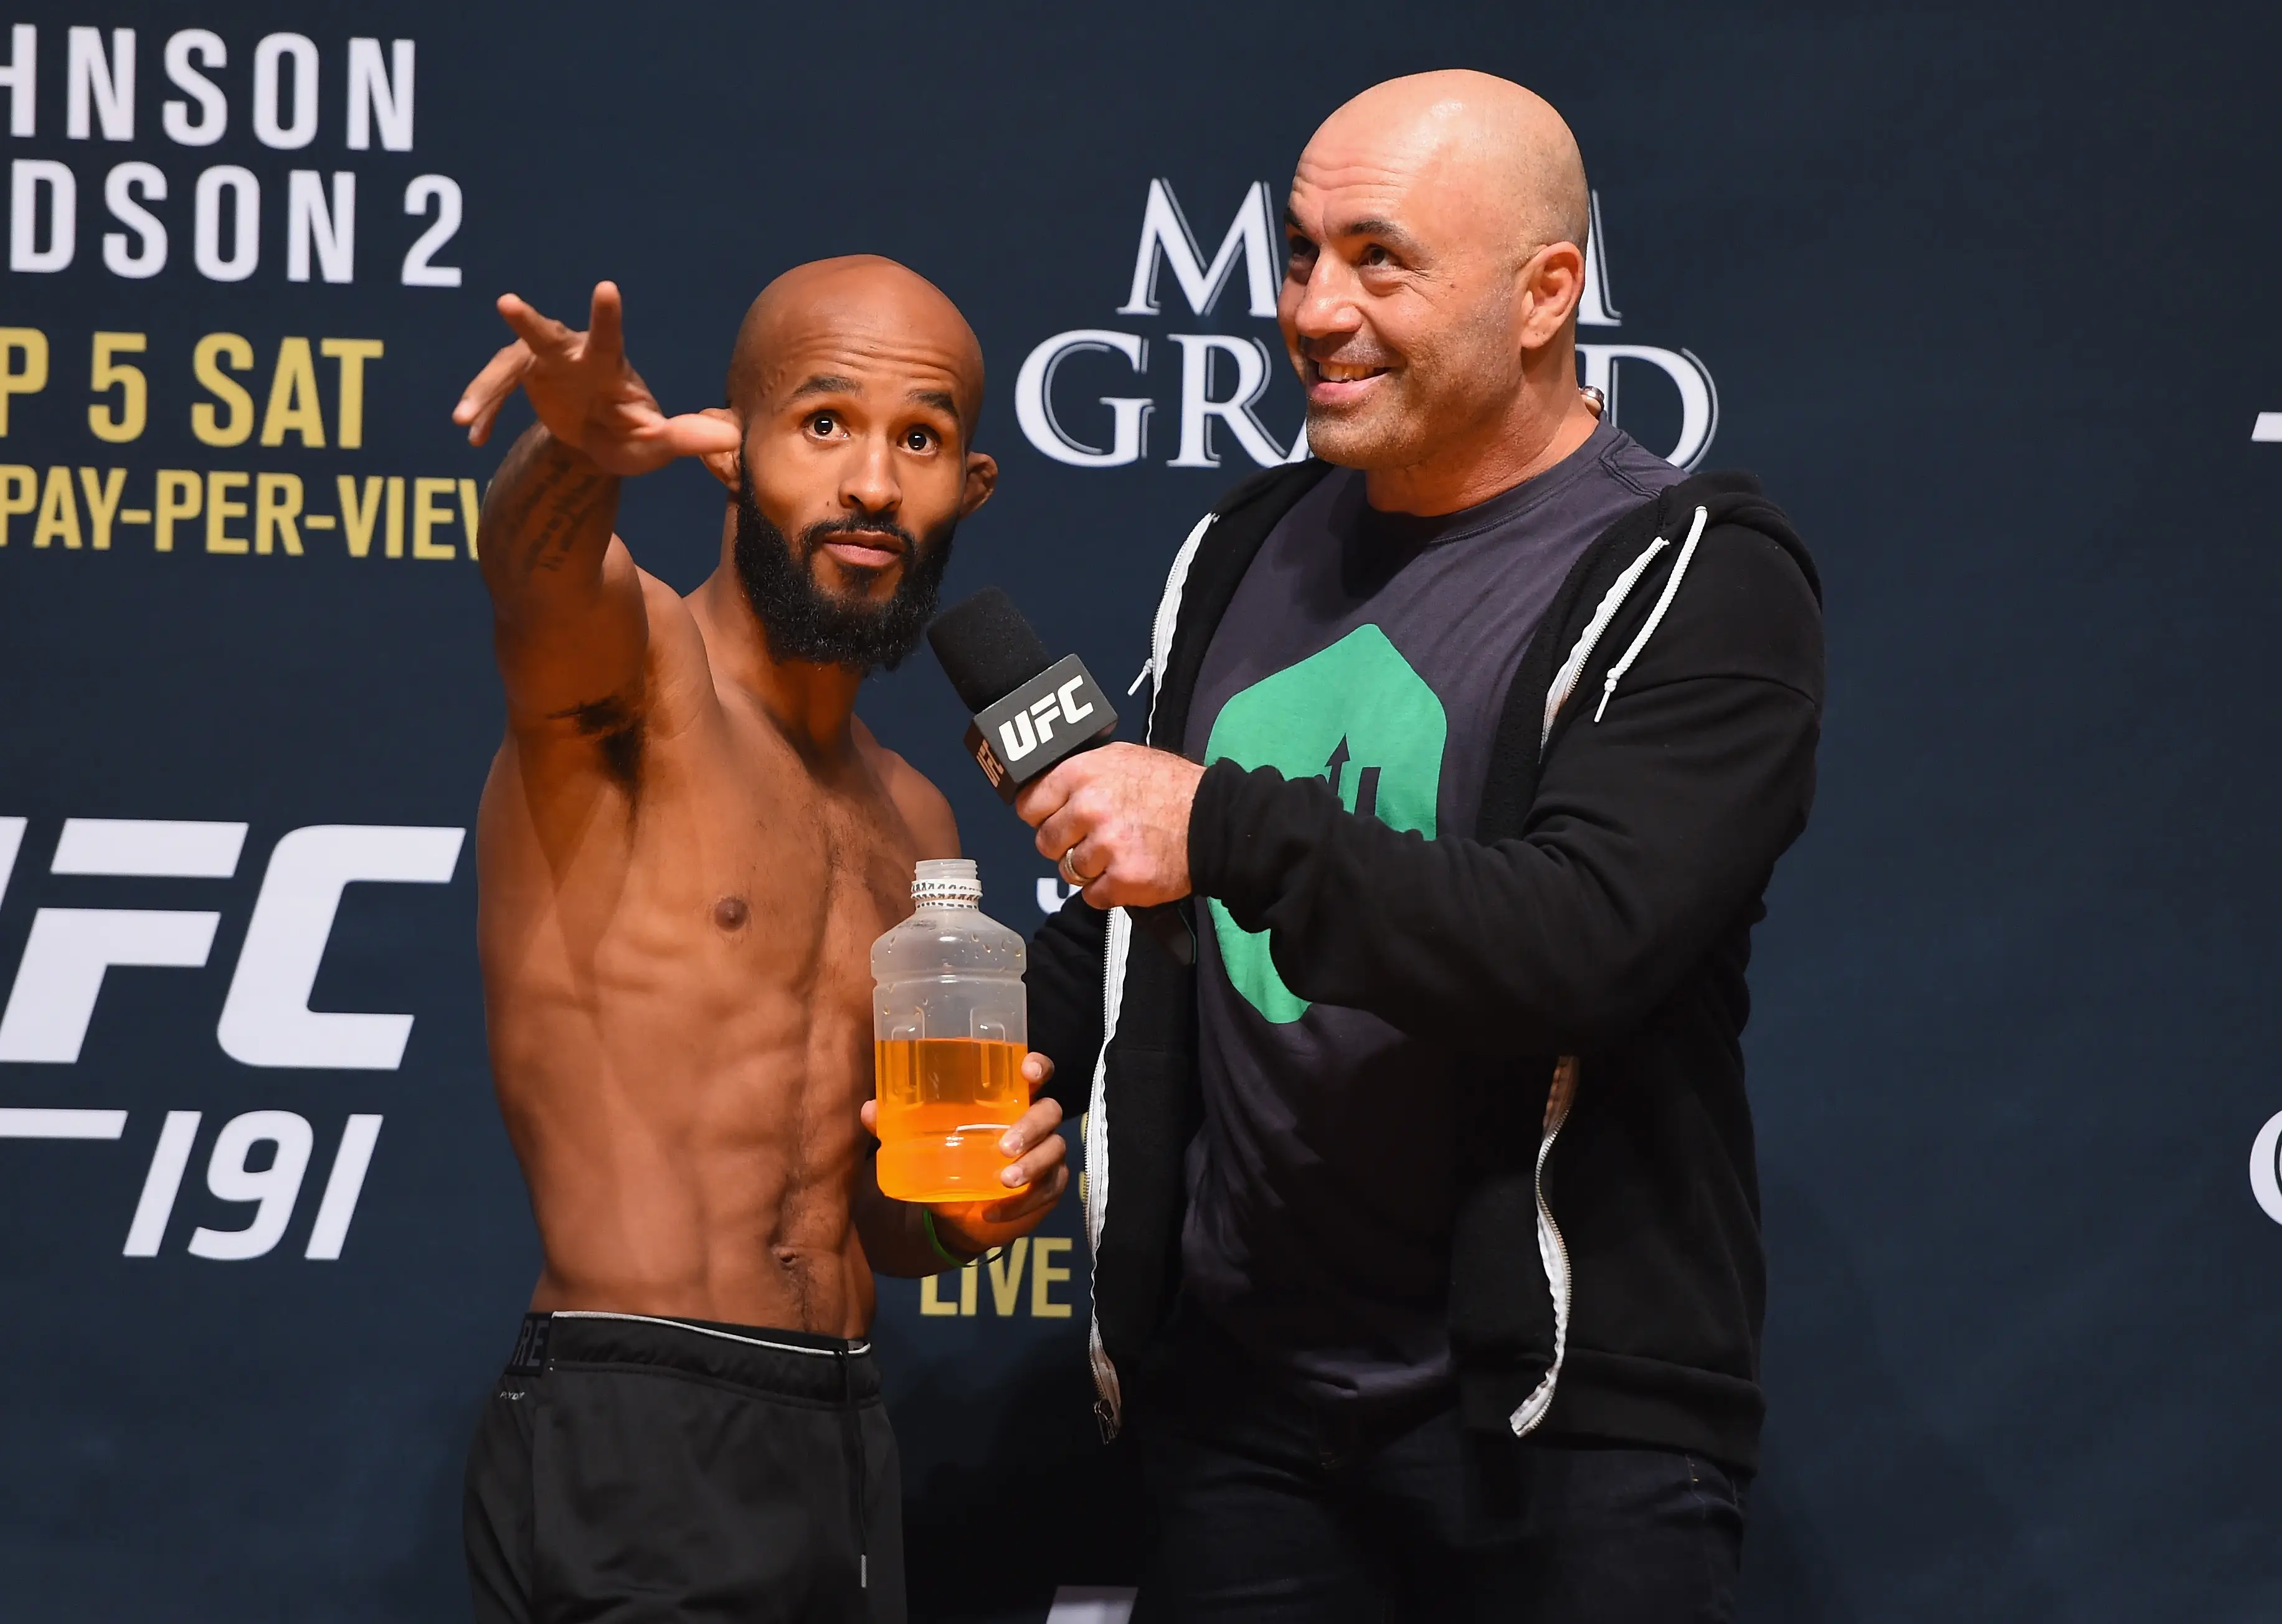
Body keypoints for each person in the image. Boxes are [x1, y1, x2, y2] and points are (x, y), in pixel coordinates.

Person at [1019, 72, 1824, 1620]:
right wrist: (958, 1059)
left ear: (1545, 292)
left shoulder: (1697, 572)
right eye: (1301, 252)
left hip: (1555, 1438)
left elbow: (1583, 937)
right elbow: (1140, 928)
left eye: (1378, 259)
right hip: (1244, 1429)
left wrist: (1220, 822)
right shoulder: (1244, 547)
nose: (1314, 307)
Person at [448, 258, 1069, 1624]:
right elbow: (539, 585)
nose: (869, 483)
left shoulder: (914, 820)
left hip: (843, 1430)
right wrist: (578, 453)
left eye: (918, 439)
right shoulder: (639, 679)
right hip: (634, 1410)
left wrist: (963, 1214)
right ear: (731, 452)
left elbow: (877, 1220)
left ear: (968, 488)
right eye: (824, 423)